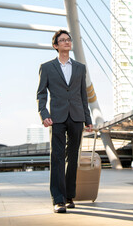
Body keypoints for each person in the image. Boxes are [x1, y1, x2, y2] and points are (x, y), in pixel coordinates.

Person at [37, 29, 92, 213]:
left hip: (77, 117)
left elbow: (83, 96)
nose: (67, 42)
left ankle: (69, 196)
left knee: (73, 158)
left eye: (69, 39)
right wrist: (44, 114)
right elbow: (41, 93)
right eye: (63, 40)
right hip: (57, 118)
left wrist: (88, 119)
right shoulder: (46, 67)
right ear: (56, 45)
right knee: (57, 158)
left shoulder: (80, 67)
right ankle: (58, 199)